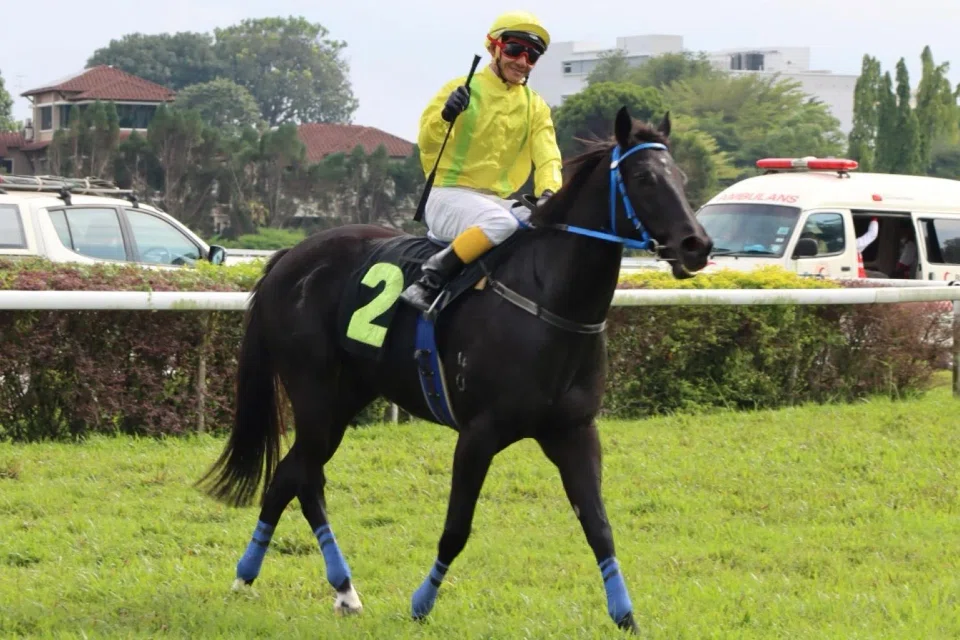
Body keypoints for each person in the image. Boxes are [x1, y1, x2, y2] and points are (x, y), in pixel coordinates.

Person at [400, 10, 563, 312]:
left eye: (532, 56)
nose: (522, 61)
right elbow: (427, 143)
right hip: (447, 197)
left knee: (552, 228)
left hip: (497, 202)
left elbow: (548, 156)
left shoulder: (536, 107)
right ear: (494, 47)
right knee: (500, 223)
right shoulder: (460, 88)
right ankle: (430, 280)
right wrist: (445, 116)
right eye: (515, 50)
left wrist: (549, 193)